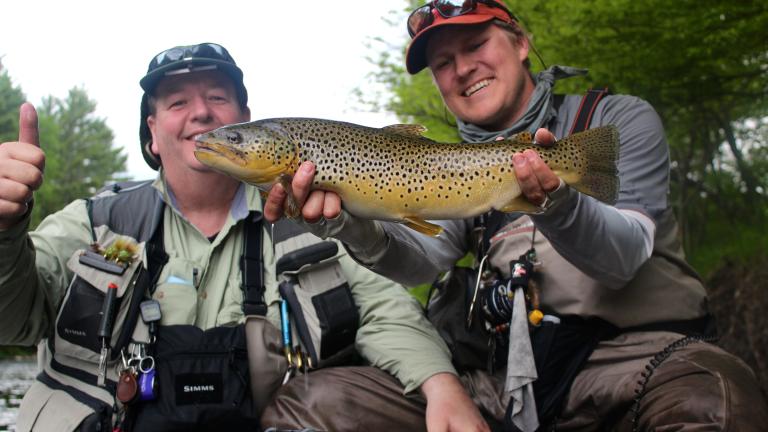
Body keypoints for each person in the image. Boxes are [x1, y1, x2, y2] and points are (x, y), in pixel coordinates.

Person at [264, 1, 768, 430]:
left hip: (632, 360)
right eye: (443, 63)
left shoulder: (616, 121)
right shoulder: (449, 165)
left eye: (476, 45)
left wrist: (554, 200)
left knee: (714, 397)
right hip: (505, 376)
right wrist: (349, 224)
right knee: (316, 402)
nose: (461, 69)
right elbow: (420, 264)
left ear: (521, 43)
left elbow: (626, 257)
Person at [0, 42, 487, 432]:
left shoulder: (317, 219)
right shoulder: (90, 224)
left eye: (217, 98)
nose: (202, 113)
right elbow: (14, 322)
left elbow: (386, 310)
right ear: (151, 133)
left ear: (248, 117)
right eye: (177, 102)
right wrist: (4, 229)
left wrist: (441, 385)